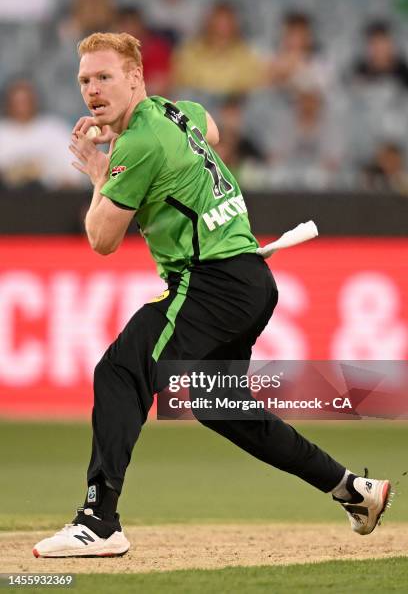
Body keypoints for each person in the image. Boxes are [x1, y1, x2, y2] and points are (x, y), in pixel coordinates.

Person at [33, 32, 391, 558]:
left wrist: (100, 174)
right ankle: (353, 491)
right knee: (221, 406)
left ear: (135, 78)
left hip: (210, 283)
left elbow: (101, 240)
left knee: (120, 370)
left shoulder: (138, 143)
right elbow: (212, 128)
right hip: (248, 279)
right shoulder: (179, 113)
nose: (93, 89)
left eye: (105, 77)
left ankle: (99, 520)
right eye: (85, 79)